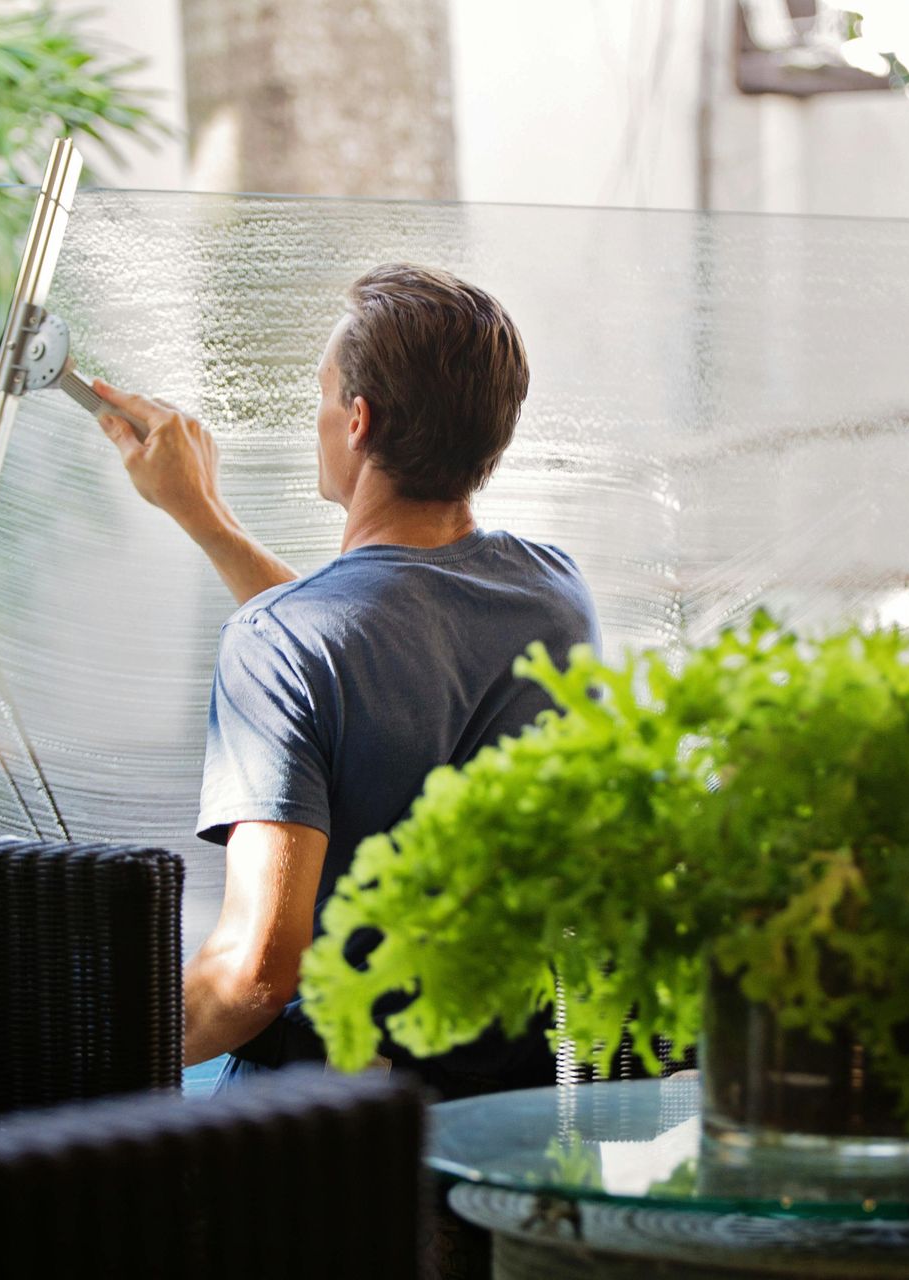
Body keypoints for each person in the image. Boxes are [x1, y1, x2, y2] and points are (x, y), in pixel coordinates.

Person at [92, 263, 599, 1098]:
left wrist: (68, 1049)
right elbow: (375, 642)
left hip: (332, 1129)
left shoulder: (283, 642)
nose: (319, 415)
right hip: (508, 1108)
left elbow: (253, 977)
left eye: (323, 395)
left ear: (357, 422)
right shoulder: (555, 596)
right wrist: (205, 518)